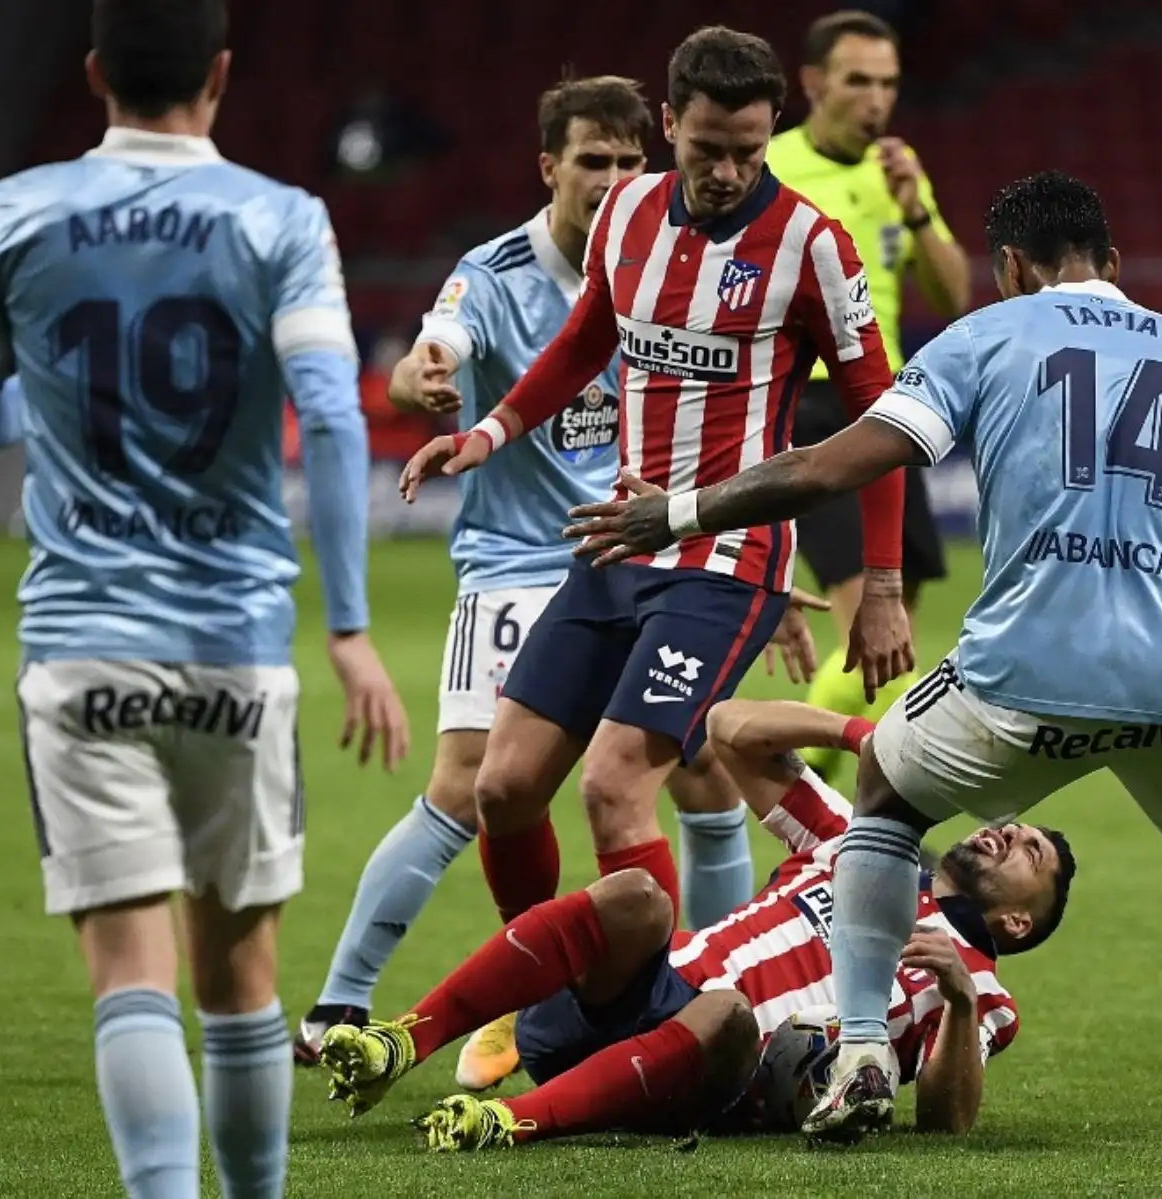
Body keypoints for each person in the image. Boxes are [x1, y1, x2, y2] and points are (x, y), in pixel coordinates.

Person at [564, 171, 1162, 1159]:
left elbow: (828, 467)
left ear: (1008, 267)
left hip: (1022, 670)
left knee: (883, 786)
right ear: (1115, 264)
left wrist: (671, 511)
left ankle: (865, 1051)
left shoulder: (980, 338)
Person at [0, 2, 409, 1196]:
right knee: (241, 969)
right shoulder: (280, 219)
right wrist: (347, 626)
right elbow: (339, 416)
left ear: (93, 72)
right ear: (222, 76)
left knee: (128, 969)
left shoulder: (18, 210)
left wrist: (51, 398)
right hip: (234, 648)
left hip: (80, 643)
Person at [394, 21, 916, 1085]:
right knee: (501, 789)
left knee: (614, 782)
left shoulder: (813, 245)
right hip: (616, 542)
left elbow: (885, 418)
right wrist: (487, 433)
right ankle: (550, 988)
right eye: (707, 148)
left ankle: (652, 1023)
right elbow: (585, 339)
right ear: (667, 126)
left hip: (724, 560)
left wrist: (883, 584)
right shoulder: (629, 211)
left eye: (750, 151)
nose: (728, 172)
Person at [295, 74, 818, 1090]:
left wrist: (753, 572)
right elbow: (426, 356)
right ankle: (347, 1000)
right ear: (550, 167)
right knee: (474, 785)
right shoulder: (495, 272)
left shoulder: (682, 260)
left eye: (631, 161)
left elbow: (729, 430)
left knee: (703, 765)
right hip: (523, 561)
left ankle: (705, 989)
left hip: (657, 553)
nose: (615, 178)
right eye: (593, 160)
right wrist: (427, 384)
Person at [314, 696, 1075, 1149]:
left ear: (1014, 921)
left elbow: (946, 1124)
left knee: (727, 1009)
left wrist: (961, 998)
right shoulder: (856, 842)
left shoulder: (983, 992)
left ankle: (509, 1121)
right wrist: (859, 734)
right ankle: (401, 1038)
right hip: (632, 997)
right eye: (1018, 827)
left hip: (720, 1071)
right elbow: (727, 726)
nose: (1009, 832)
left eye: (1030, 852)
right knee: (637, 895)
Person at [766, 10, 971, 791]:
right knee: (866, 634)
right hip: (810, 407)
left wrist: (915, 207)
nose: (876, 99)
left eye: (887, 82)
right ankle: (781, 788)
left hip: (890, 412)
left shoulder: (899, 170)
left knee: (891, 644)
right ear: (814, 82)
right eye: (858, 80)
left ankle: (813, 812)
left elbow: (954, 295)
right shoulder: (775, 167)